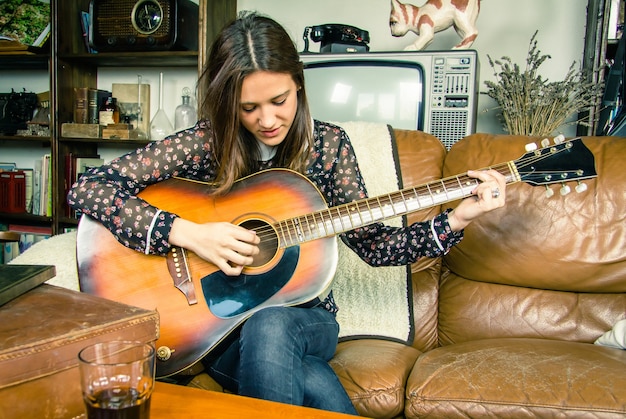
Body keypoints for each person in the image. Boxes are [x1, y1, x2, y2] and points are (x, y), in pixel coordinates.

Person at [67, 11, 506, 415]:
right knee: (308, 379)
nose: (268, 119)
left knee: (273, 323)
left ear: (298, 82)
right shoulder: (207, 143)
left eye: (279, 99)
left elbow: (376, 246)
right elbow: (89, 187)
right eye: (248, 108)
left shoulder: (328, 148)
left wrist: (458, 217)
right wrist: (187, 233)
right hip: (218, 332)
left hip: (305, 317)